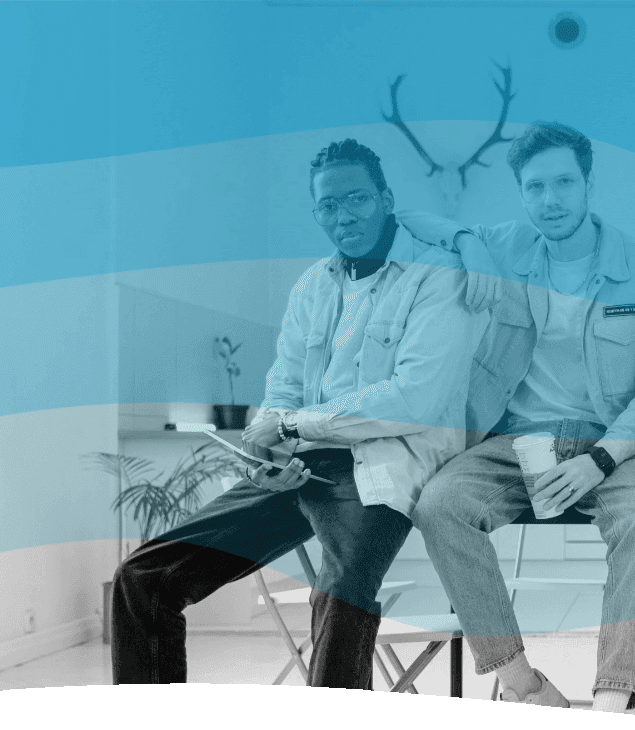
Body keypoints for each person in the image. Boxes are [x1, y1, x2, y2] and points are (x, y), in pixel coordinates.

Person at [111, 139, 485, 688]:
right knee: (143, 577)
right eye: (328, 206)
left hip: (379, 469)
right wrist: (265, 442)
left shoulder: (437, 277)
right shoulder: (312, 286)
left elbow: (414, 399)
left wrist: (291, 425)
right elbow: (284, 385)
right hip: (296, 468)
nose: (342, 215)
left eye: (356, 199)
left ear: (386, 199)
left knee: (340, 592)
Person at [403, 122, 635, 713]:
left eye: (563, 183)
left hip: (616, 446)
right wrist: (469, 241)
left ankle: (613, 698)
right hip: (516, 443)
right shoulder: (506, 246)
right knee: (439, 504)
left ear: (587, 185)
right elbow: (411, 220)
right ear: (521, 193)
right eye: (535, 187)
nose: (550, 201)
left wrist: (600, 461)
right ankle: (522, 683)